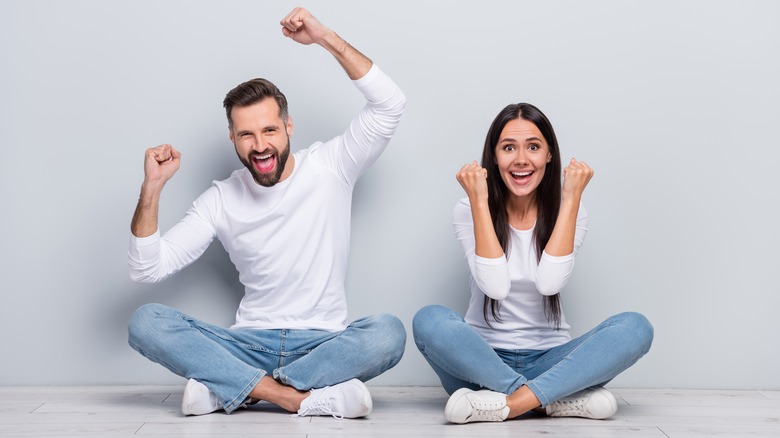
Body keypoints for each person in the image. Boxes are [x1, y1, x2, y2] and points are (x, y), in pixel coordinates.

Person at [127, 8, 406, 419]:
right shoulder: (220, 199)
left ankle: (236, 387)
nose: (260, 145)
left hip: (322, 341)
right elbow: (146, 269)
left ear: (289, 126)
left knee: (388, 334)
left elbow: (390, 105)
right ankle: (295, 397)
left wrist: (324, 37)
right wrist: (151, 189)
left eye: (270, 131)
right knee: (145, 321)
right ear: (232, 137)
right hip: (245, 342)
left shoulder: (332, 166)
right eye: (247, 134)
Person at [412, 103, 653, 424]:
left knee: (635, 328)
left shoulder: (571, 211)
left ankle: (509, 404)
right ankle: (549, 401)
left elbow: (549, 283)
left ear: (549, 155)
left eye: (534, 147)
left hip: (553, 362)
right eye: (509, 147)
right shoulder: (467, 208)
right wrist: (479, 202)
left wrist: (570, 200)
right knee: (429, 320)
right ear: (494, 157)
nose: (521, 159)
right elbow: (495, 287)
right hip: (480, 363)